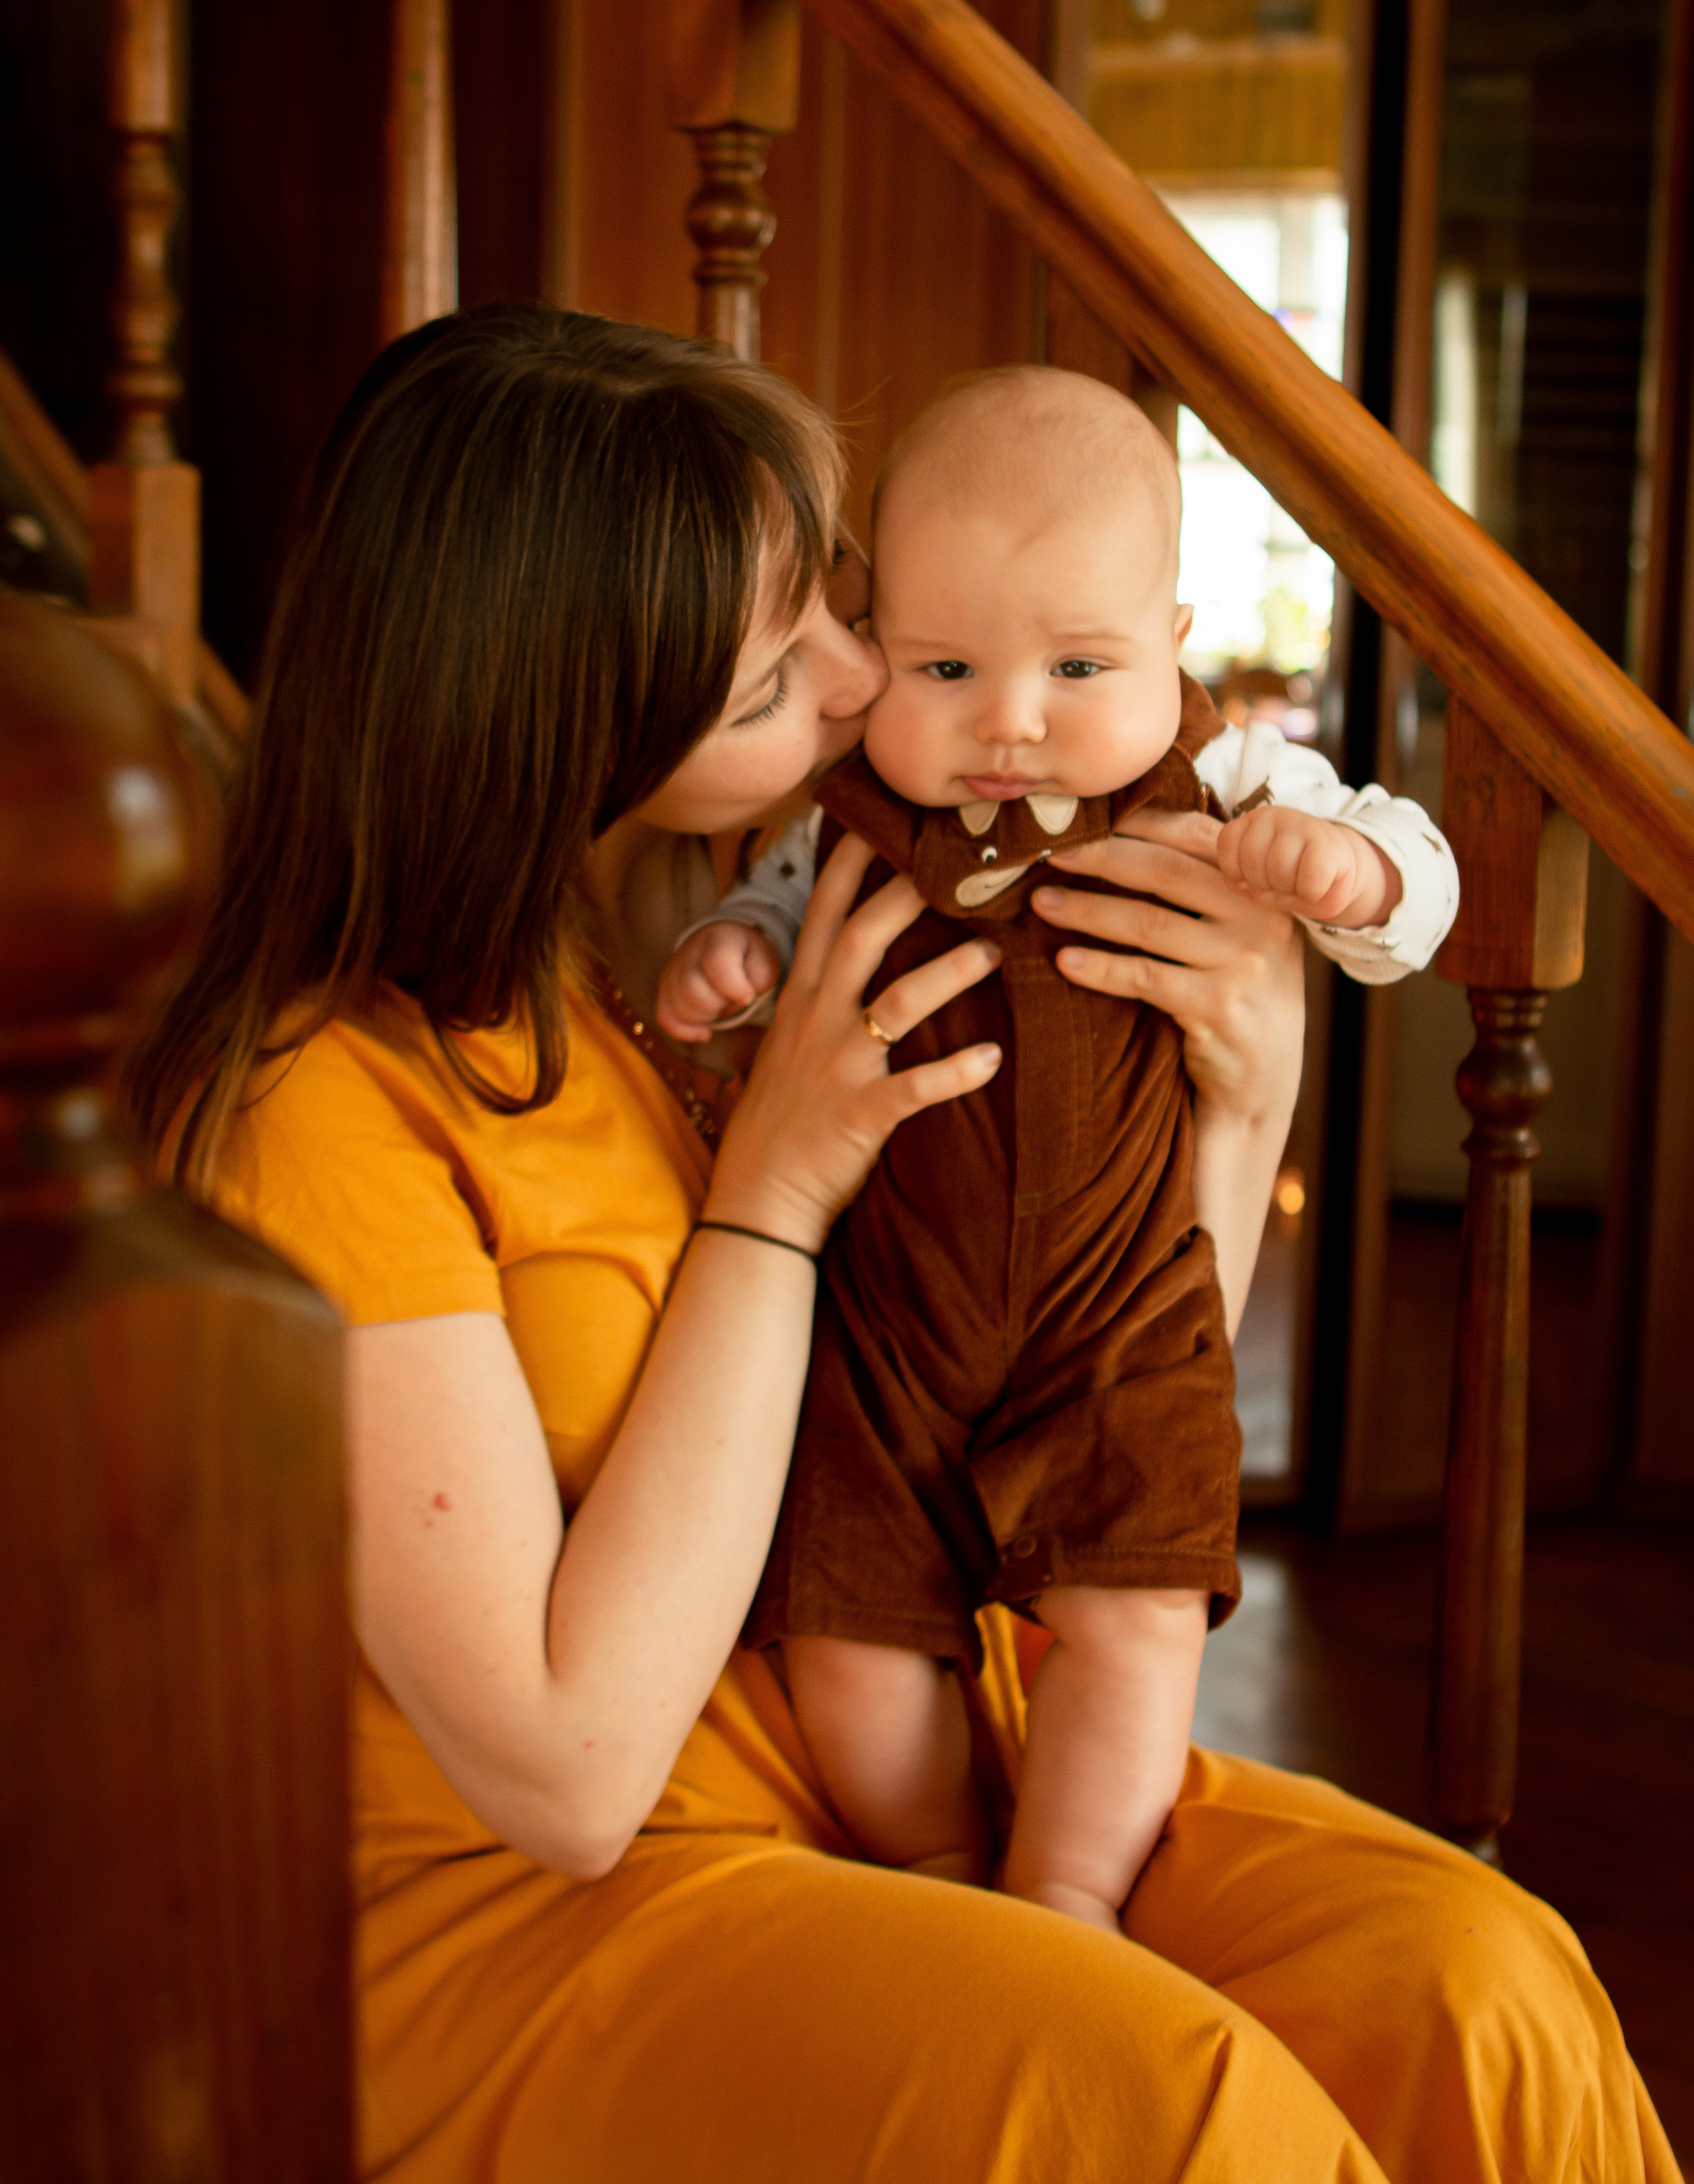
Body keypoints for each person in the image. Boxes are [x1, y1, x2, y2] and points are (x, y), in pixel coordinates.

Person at [130, 306, 1679, 2184]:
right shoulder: (311, 1112)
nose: (876, 678)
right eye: (789, 665)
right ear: (573, 714)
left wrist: (1243, 1105)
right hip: (556, 1903)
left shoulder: (626, 987)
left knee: (1485, 1985)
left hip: (879, 1744)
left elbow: (1066, 1357)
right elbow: (562, 1772)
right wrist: (774, 1198)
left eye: (840, 610)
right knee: (1182, 2113)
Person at [656, 367, 1460, 1933]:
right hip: (884, 1322)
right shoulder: (854, 809)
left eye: (1078, 664)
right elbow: (775, 898)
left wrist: (1351, 869)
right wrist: (735, 954)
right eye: (944, 663)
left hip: (1122, 1319)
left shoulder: (1223, 781)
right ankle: (943, 1869)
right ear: (876, 643)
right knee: (842, 1626)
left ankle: (1069, 1893)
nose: (1010, 722)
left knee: (1141, 1616)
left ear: (1170, 646)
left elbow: (1416, 887)